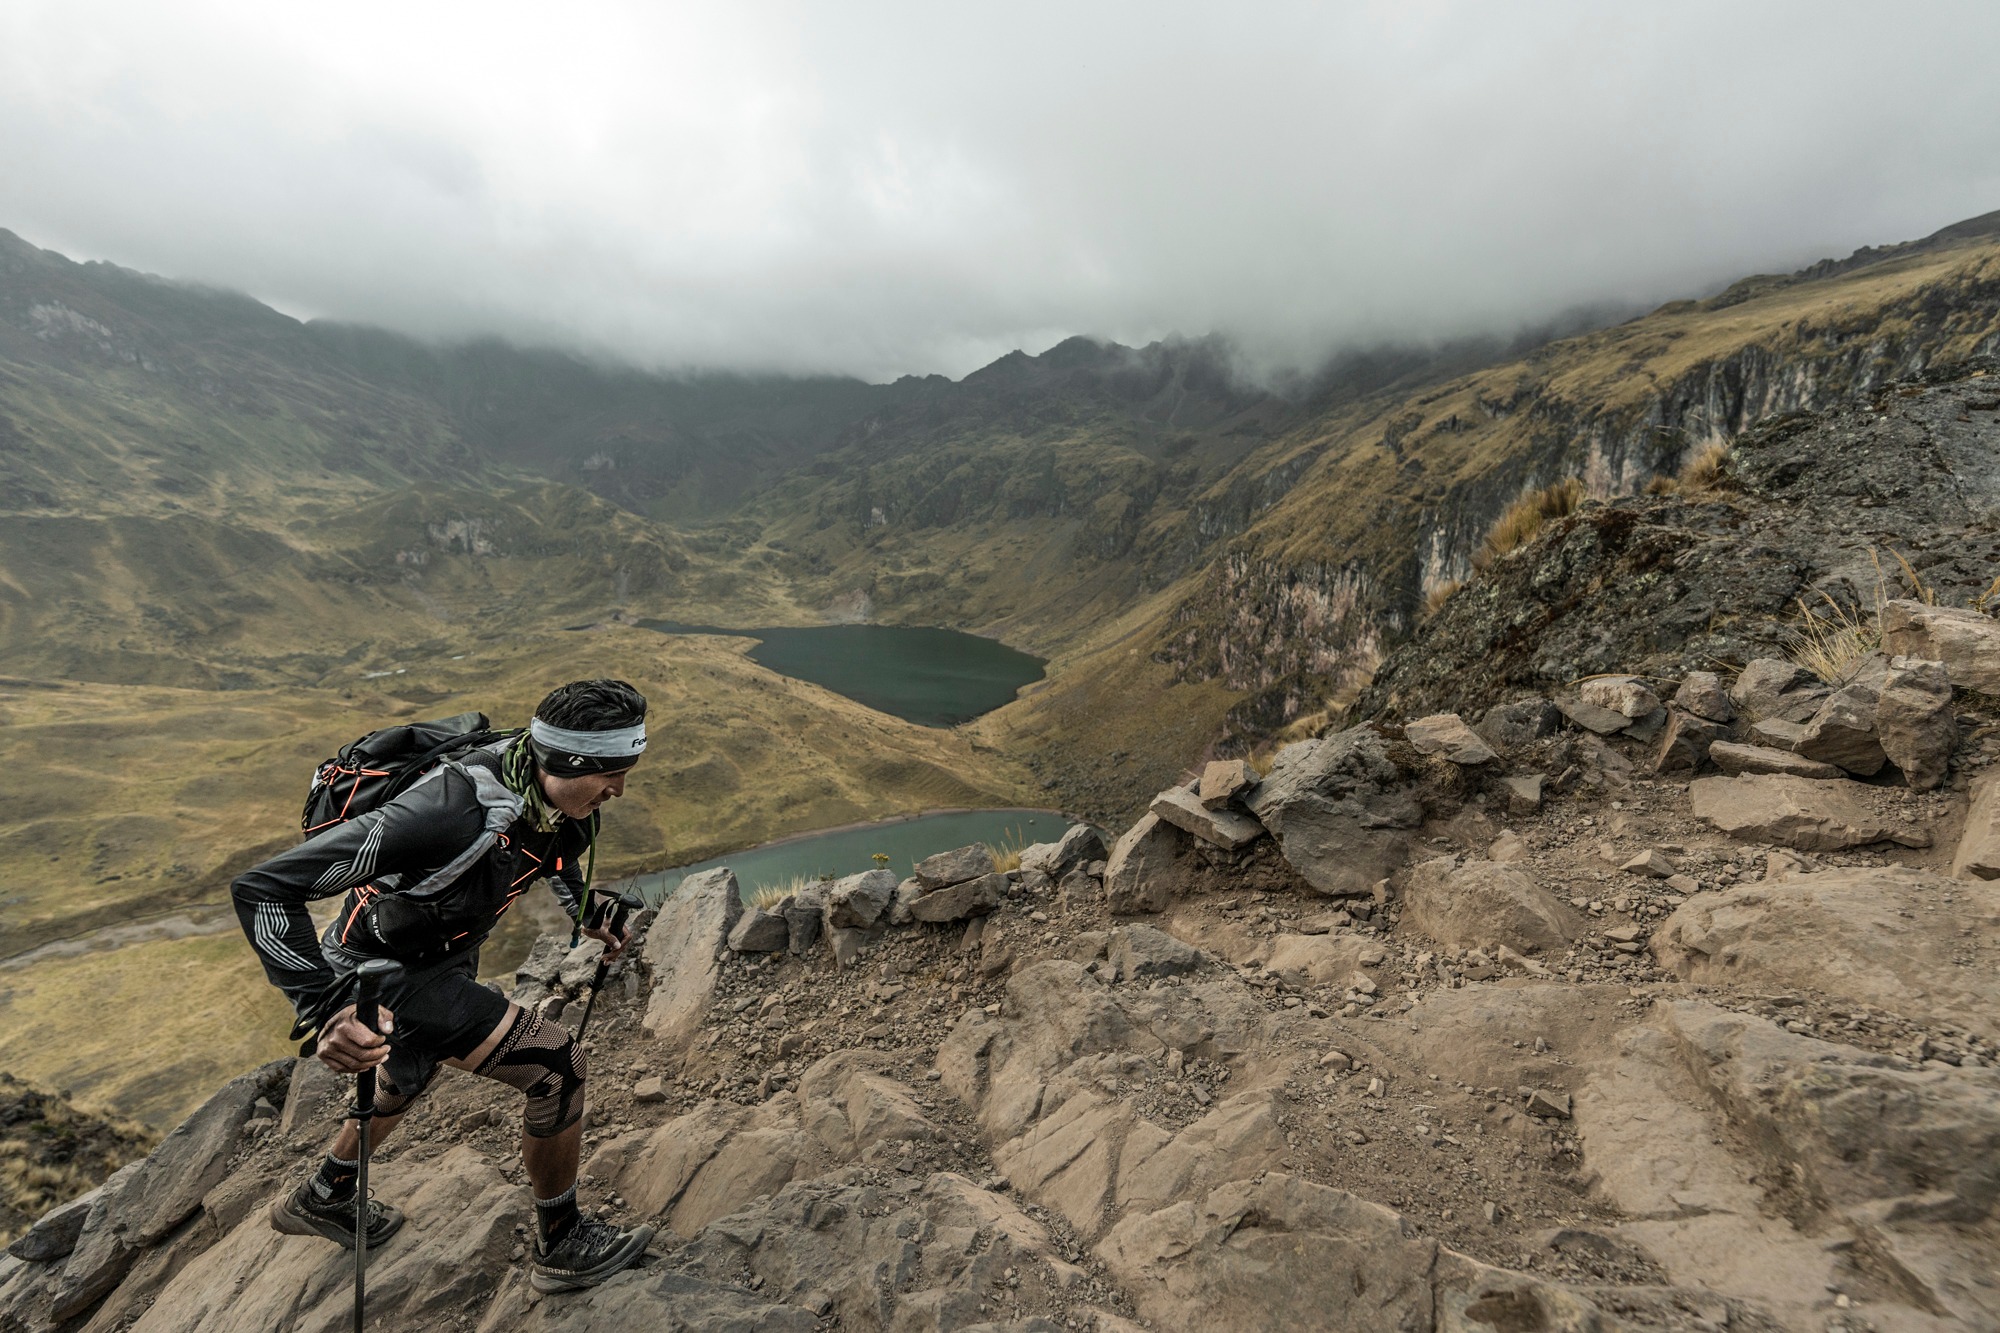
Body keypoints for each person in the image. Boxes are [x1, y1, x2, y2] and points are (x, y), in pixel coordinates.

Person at [232, 679, 654, 1293]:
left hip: (443, 953)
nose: (619, 789)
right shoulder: (448, 810)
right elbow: (264, 888)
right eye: (610, 773)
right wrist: (326, 1007)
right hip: (381, 972)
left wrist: (589, 910)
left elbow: (551, 850)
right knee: (558, 1065)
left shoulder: (546, 787)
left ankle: (326, 1193)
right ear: (566, 760)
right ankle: (561, 1243)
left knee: (410, 1073)